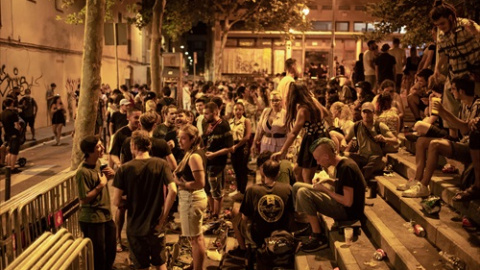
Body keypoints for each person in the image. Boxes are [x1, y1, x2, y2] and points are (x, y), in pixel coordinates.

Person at [401, 76, 480, 198]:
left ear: (461, 91)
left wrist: (444, 112)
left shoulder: (477, 104)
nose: (451, 92)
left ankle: (424, 185)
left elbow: (466, 130)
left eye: (453, 89)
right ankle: (417, 179)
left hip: (472, 148)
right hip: (463, 142)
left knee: (435, 144)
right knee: (421, 141)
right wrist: (440, 112)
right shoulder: (463, 105)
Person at [113, 131, 177, 270]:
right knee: (160, 263)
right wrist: (163, 218)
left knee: (141, 266)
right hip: (156, 226)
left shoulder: (124, 169)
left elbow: (117, 201)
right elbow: (173, 190)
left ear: (133, 145)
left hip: (135, 227)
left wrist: (131, 202)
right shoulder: (161, 164)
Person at [294, 138, 366, 252]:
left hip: (348, 212)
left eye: (318, 159)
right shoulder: (342, 163)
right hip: (343, 205)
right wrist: (327, 180)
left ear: (326, 156)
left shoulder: (346, 167)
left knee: (303, 193)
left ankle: (317, 236)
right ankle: (310, 224)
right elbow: (343, 184)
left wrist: (325, 190)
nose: (317, 163)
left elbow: (348, 202)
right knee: (297, 186)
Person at [430, 1, 480, 139]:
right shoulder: (441, 33)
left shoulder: (466, 25)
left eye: (442, 23)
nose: (441, 27)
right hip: (454, 75)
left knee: (474, 107)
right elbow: (445, 53)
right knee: (450, 106)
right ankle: (453, 138)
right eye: (438, 25)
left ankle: (473, 140)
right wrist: (437, 70)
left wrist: (476, 32)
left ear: (451, 18)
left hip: (472, 75)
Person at [228, 159, 294, 257]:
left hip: (258, 236)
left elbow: (245, 218)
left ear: (263, 172)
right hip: (282, 234)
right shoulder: (288, 188)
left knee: (236, 213)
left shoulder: (252, 190)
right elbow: (293, 213)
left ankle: (242, 249)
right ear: (278, 174)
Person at [271, 83, 330, 183]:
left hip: (313, 140)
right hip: (318, 136)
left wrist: (282, 151)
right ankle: (301, 193)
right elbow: (326, 113)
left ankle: (307, 196)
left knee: (307, 177)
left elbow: (294, 133)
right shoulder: (313, 102)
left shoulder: (303, 110)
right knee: (297, 171)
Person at [76, 136, 116, 270]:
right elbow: (84, 199)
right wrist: (101, 185)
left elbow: (105, 178)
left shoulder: (99, 164)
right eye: (98, 146)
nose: (102, 148)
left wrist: (111, 175)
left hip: (106, 215)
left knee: (110, 251)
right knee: (98, 257)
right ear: (89, 151)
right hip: (92, 219)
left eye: (101, 145)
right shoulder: (82, 172)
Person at [173, 124, 208, 270]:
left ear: (193, 139)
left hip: (192, 199)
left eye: (183, 138)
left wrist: (182, 184)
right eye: (179, 138)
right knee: (197, 236)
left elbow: (200, 182)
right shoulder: (192, 153)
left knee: (195, 239)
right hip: (191, 198)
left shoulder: (194, 156)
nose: (180, 141)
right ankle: (195, 264)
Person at [344, 102, 398, 182]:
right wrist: (343, 143)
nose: (366, 114)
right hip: (362, 157)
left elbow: (395, 141)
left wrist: (384, 139)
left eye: (369, 112)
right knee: (345, 156)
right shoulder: (356, 126)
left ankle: (359, 180)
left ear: (373, 113)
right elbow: (346, 139)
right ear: (361, 113)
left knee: (375, 161)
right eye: (364, 112)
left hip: (376, 157)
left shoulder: (379, 126)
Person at [202, 102, 233, 219]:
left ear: (214, 113)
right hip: (207, 161)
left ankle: (216, 214)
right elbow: (205, 140)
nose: (204, 116)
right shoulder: (207, 124)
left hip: (218, 162)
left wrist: (214, 154)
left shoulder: (223, 125)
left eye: (206, 113)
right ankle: (211, 211)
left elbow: (230, 147)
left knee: (216, 189)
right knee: (208, 189)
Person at [228, 102, 252, 196]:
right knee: (236, 169)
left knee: (242, 169)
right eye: (236, 109)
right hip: (233, 146)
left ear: (243, 110)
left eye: (240, 109)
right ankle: (238, 189)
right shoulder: (230, 121)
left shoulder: (246, 121)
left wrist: (237, 146)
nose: (238, 111)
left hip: (242, 146)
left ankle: (242, 191)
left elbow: (247, 136)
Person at [0, 99, 22, 174]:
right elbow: (17, 126)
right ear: (12, 104)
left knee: (9, 151)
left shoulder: (2, 114)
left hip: (7, 135)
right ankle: (12, 168)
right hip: (14, 134)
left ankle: (8, 167)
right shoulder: (13, 114)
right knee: (14, 152)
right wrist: (19, 129)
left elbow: (1, 125)